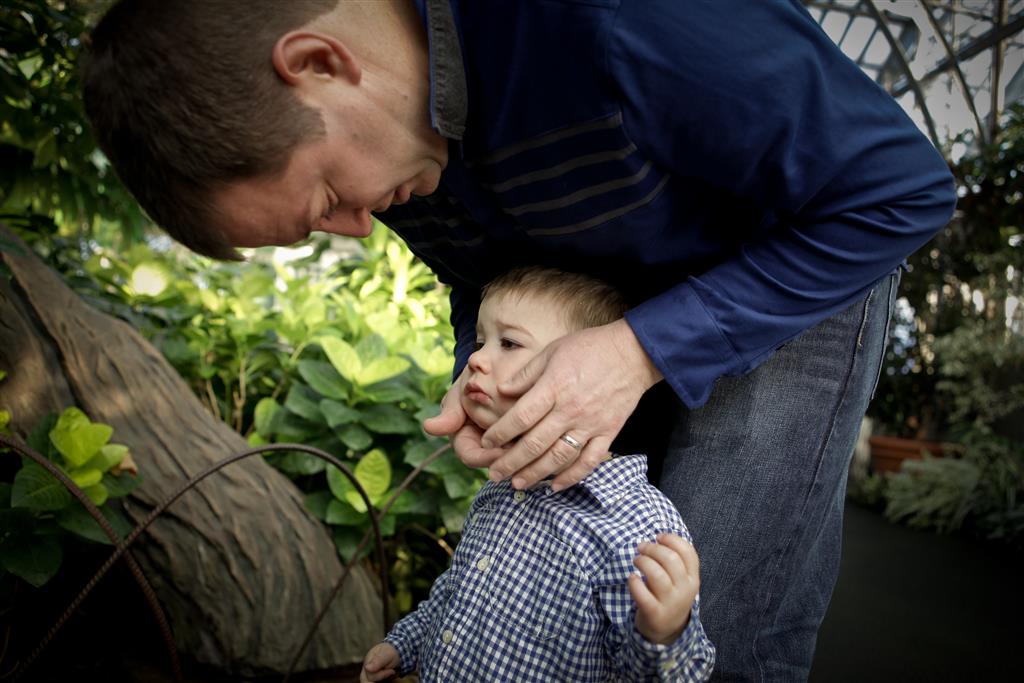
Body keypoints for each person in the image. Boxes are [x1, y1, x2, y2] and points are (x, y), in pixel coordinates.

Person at [81, 1, 957, 678]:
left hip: (793, 259)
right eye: (321, 225)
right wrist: (492, 359)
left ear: (320, 63)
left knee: (715, 606)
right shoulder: (390, 144)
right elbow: (481, 268)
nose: (357, 228)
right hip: (604, 298)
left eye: (328, 200)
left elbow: (901, 191)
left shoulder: (618, 21)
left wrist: (637, 351)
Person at [360, 267, 715, 682]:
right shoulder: (500, 492)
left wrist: (664, 635)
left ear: (589, 379)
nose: (474, 359)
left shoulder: (634, 527)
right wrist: (404, 644)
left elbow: (654, 674)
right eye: (480, 341)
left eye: (509, 343)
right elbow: (457, 595)